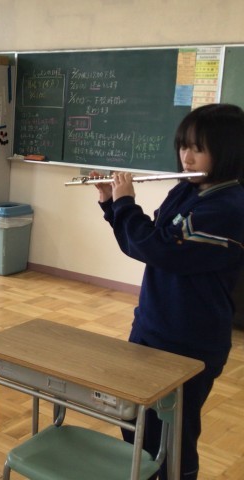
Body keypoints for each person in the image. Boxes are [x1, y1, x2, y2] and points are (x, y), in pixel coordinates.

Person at [93, 103, 244, 479]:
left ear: (227, 152)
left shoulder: (230, 208)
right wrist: (111, 204)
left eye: (198, 148)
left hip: (190, 343)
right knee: (134, 421)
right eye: (183, 146)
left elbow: (162, 249)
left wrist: (125, 203)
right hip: (151, 326)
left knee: (172, 437)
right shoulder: (184, 190)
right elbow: (142, 244)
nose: (186, 157)